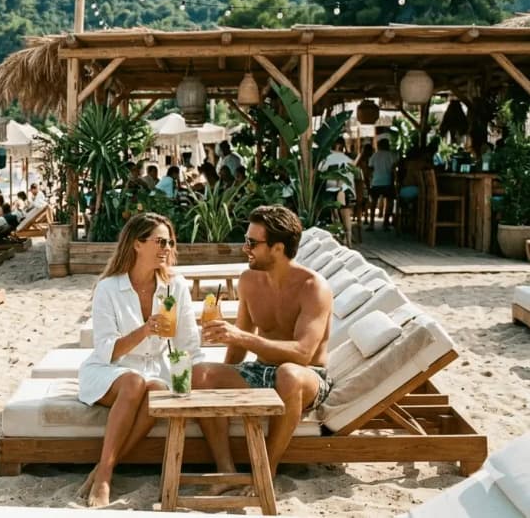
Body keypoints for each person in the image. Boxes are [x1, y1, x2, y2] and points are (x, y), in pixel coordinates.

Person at [193, 206, 333, 486]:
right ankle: (226, 471)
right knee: (200, 374)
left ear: (277, 248)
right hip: (261, 370)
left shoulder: (313, 287)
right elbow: (239, 343)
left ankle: (265, 471)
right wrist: (220, 380)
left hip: (307, 377)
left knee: (288, 374)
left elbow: (303, 354)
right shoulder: (249, 280)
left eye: (252, 242)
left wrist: (242, 338)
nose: (245, 248)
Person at [76, 213, 203, 507]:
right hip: (110, 369)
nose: (167, 248)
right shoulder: (109, 288)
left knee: (156, 389)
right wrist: (145, 330)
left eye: (169, 243)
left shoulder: (175, 287)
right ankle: (105, 476)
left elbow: (188, 343)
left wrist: (193, 378)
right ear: (137, 244)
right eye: (160, 242)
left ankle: (103, 466)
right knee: (133, 382)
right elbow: (107, 349)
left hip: (155, 370)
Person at [319, 138, 356, 246]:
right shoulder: (348, 160)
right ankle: (348, 239)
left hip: (330, 191)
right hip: (346, 191)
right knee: (346, 215)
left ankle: (338, 238)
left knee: (335, 215)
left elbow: (320, 170)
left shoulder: (327, 159)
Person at [368, 139, 397, 230]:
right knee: (389, 202)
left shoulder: (374, 155)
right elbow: (394, 168)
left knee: (373, 202)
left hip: (376, 182)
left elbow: (370, 168)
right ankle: (385, 223)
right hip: (387, 182)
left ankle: (371, 224)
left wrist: (371, 178)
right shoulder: (391, 155)